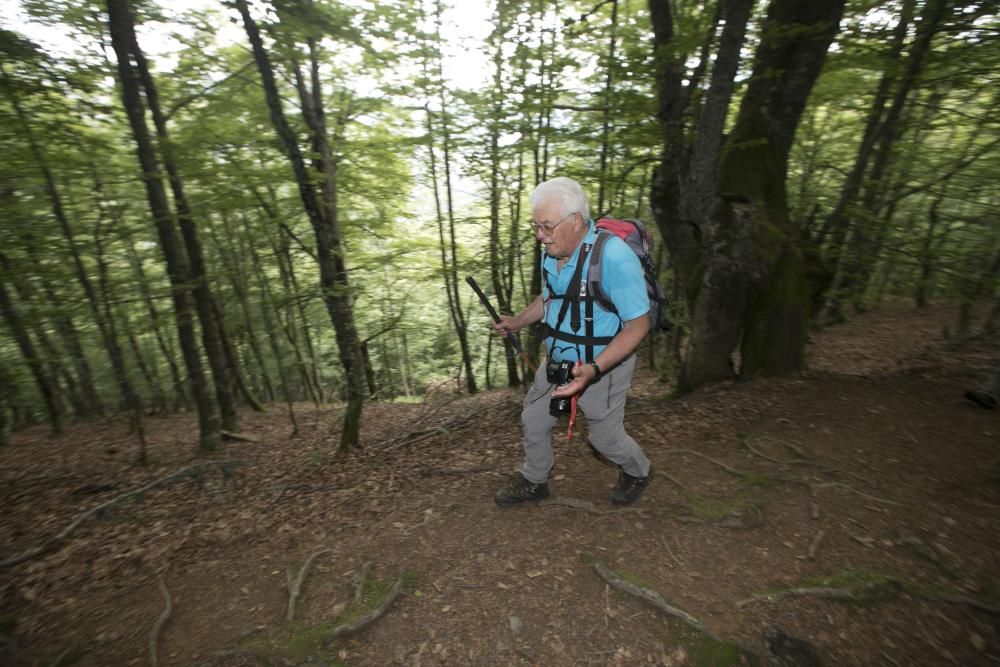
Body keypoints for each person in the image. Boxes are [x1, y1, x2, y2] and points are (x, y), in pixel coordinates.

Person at [492, 176, 653, 507]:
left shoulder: (615, 258)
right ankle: (536, 480)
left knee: (603, 438)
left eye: (547, 226)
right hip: (558, 358)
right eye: (536, 226)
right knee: (535, 418)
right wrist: (517, 322)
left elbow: (638, 326)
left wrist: (594, 369)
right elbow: (551, 297)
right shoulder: (551, 252)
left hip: (605, 363)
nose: (540, 236)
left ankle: (638, 470)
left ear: (576, 221)